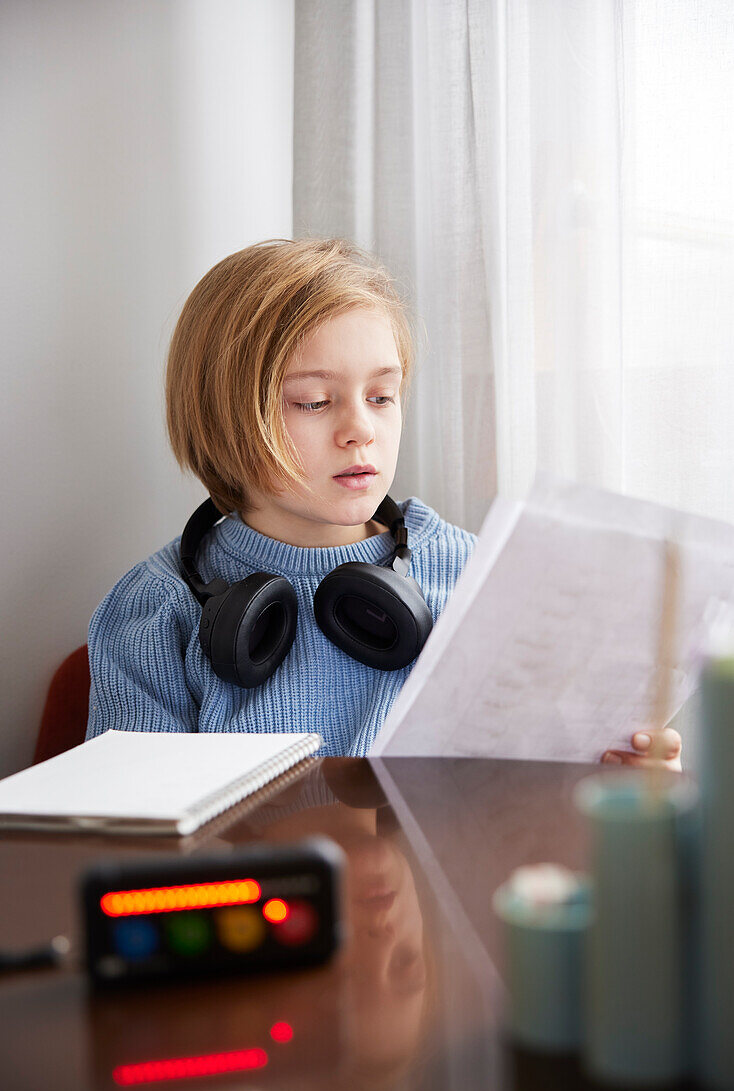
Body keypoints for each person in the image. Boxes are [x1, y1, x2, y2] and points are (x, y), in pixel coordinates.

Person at [84, 237, 681, 767]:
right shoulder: (155, 610)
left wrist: (623, 787)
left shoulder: (474, 577)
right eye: (315, 402)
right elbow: (132, 849)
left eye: (382, 395)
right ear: (223, 418)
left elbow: (536, 809)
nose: (359, 429)